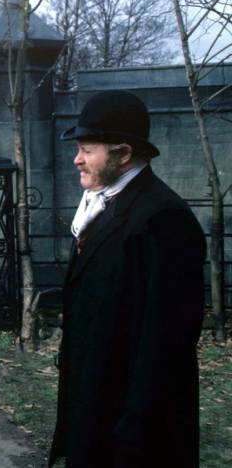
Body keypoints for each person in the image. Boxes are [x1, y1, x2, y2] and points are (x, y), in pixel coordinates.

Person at [49, 90, 206, 467]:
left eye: (87, 150)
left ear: (122, 154)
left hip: (132, 430)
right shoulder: (102, 204)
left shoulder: (163, 218)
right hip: (95, 404)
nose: (76, 159)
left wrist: (134, 428)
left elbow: (168, 341)